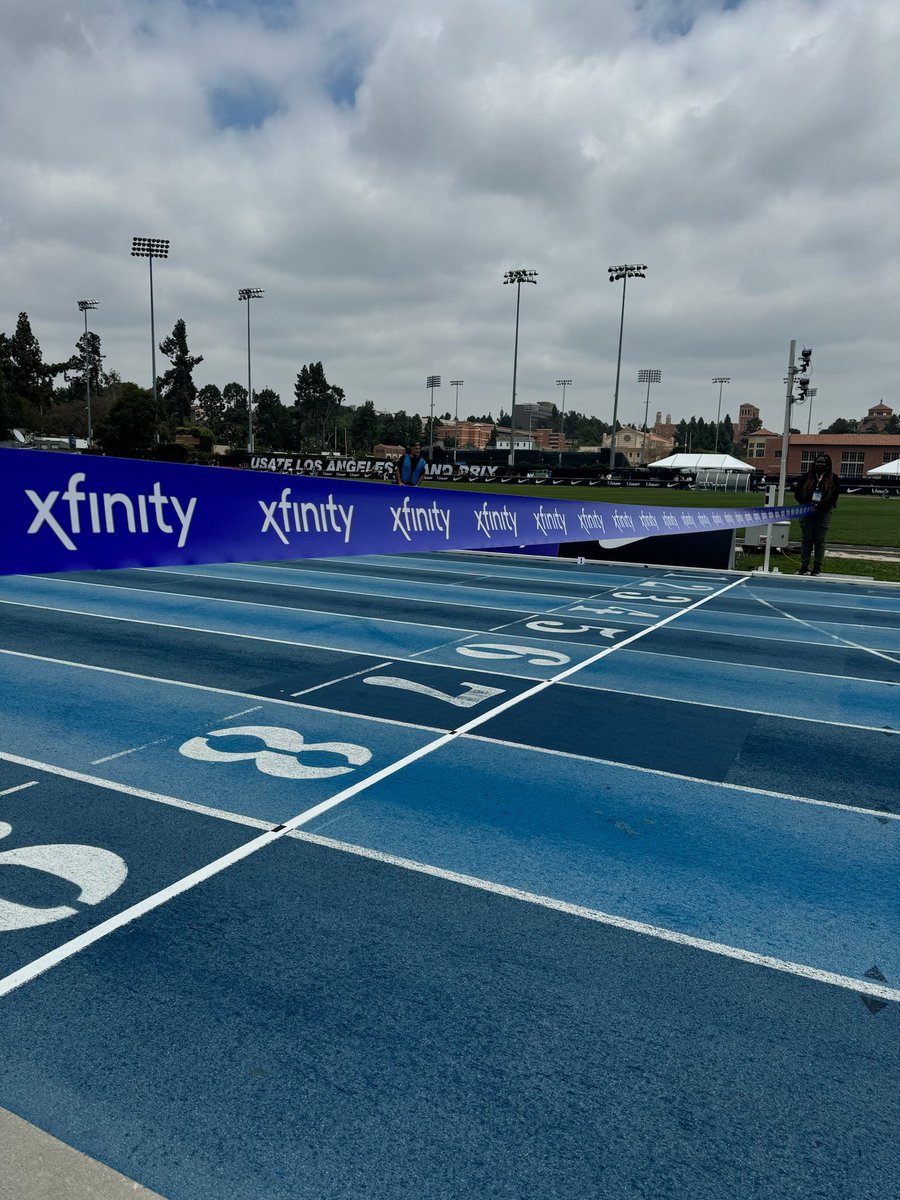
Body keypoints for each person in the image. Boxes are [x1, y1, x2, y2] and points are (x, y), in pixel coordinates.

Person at [793, 452, 840, 575]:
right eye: (818, 462)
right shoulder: (806, 477)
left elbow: (834, 498)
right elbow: (797, 493)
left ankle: (817, 567)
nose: (819, 464)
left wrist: (820, 508)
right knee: (806, 539)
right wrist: (807, 506)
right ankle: (804, 565)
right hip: (806, 511)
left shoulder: (833, 478)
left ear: (827, 465)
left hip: (823, 512)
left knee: (819, 540)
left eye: (822, 462)